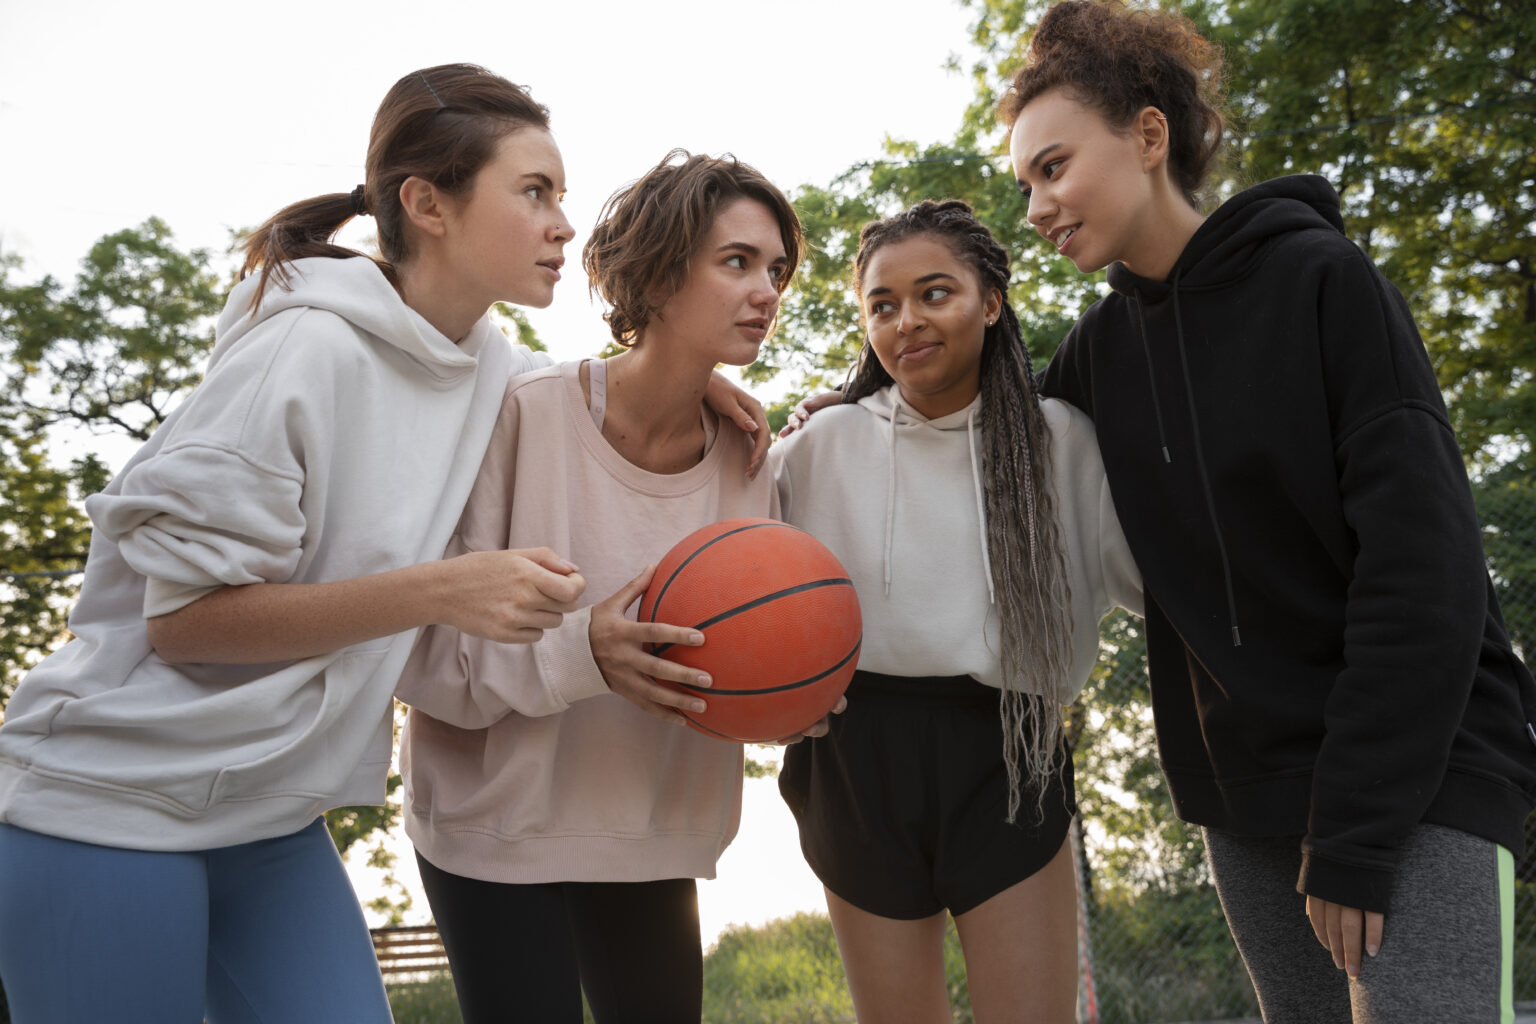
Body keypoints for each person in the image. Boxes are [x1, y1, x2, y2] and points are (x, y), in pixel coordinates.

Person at [0, 66, 768, 1024]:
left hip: (271, 816)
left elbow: (579, 389)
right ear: (427, 205)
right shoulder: (301, 352)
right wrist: (439, 591)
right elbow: (185, 626)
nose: (563, 225)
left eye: (562, 196)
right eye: (535, 193)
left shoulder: (484, 362)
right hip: (105, 803)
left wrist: (689, 375)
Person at [1002, 3, 1536, 1021]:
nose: (1036, 205)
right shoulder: (1099, 357)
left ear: (1148, 136)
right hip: (1249, 804)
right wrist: (841, 400)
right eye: (1025, 183)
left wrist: (1356, 828)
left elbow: (1425, 571)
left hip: (1417, 774)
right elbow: (968, 432)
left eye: (1054, 167)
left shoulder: (1321, 281)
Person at [394, 150, 811, 1024]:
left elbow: (747, 659)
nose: (766, 291)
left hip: (652, 834)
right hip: (494, 831)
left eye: (776, 270)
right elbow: (423, 657)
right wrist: (585, 652)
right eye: (737, 262)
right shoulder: (523, 413)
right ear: (657, 276)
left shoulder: (748, 461)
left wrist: (790, 690)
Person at [770, 198, 1141, 1023]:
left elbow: (1156, 585)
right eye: (882, 305)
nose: (906, 320)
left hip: (1009, 750)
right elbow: (739, 590)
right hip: (856, 756)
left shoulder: (1060, 441)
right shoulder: (820, 445)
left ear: (991, 302)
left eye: (934, 293)